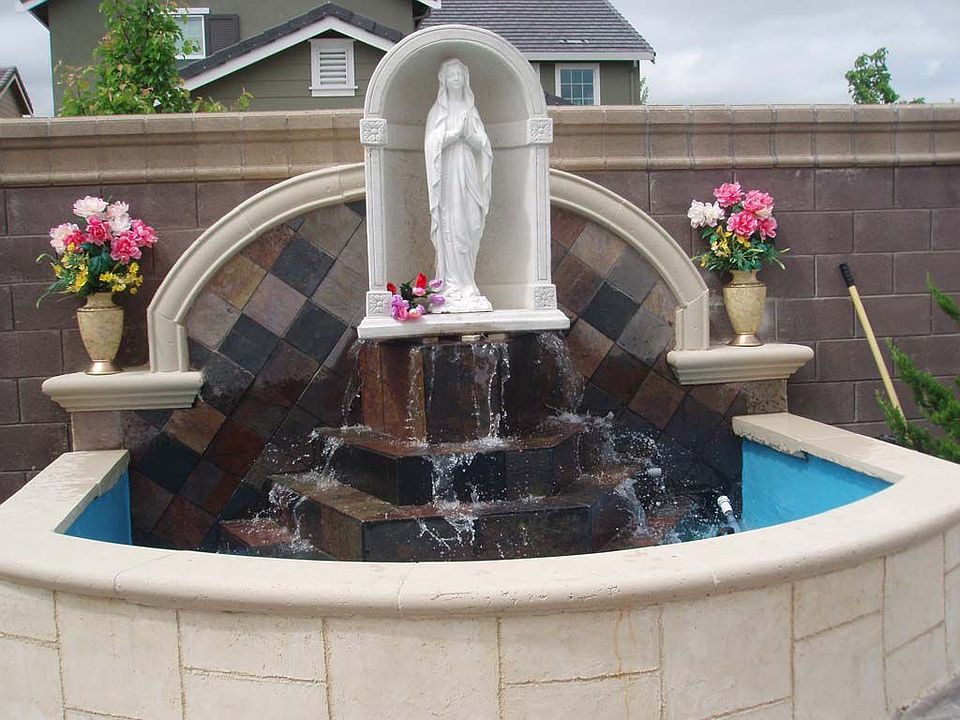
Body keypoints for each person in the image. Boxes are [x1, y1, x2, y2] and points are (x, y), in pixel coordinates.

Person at [424, 58, 494, 313]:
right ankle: (452, 284)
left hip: (468, 172)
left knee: (471, 223)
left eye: (459, 74)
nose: (456, 78)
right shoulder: (438, 112)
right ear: (443, 80)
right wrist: (453, 135)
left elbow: (483, 145)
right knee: (453, 225)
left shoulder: (470, 110)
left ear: (466, 79)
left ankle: (468, 283)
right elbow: (431, 144)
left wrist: (469, 135)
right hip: (448, 177)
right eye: (451, 74)